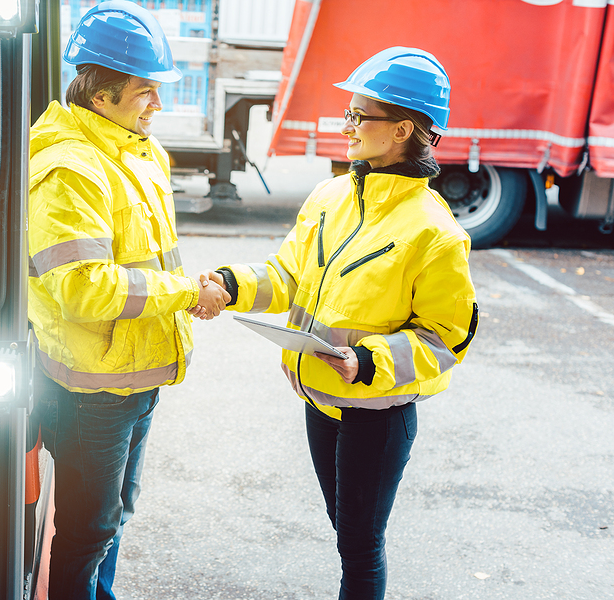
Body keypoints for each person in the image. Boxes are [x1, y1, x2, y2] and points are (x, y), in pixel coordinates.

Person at [199, 47, 478, 599]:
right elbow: (287, 273)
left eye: (359, 116)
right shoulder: (330, 197)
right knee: (346, 532)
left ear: (401, 130)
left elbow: (447, 334)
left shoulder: (434, 231)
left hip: (375, 413)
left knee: (359, 546)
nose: (346, 125)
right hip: (320, 401)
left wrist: (370, 362)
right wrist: (231, 286)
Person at [27, 2, 230, 598]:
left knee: (115, 517)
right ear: (100, 95)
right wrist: (186, 292)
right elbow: (83, 289)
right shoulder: (70, 168)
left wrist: (183, 294)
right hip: (96, 388)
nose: (158, 105)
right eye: (145, 92)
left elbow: (145, 262)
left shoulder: (136, 151)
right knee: (89, 530)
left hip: (135, 373)